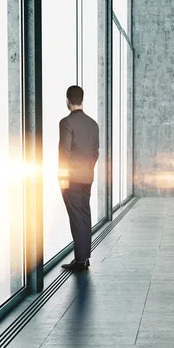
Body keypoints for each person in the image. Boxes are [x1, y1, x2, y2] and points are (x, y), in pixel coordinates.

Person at [58, 85, 99, 271]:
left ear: (67, 100)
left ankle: (80, 260)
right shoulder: (93, 124)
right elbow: (95, 152)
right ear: (82, 100)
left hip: (72, 178)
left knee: (76, 217)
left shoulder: (66, 122)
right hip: (87, 177)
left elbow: (64, 153)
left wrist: (62, 178)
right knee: (85, 214)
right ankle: (85, 256)